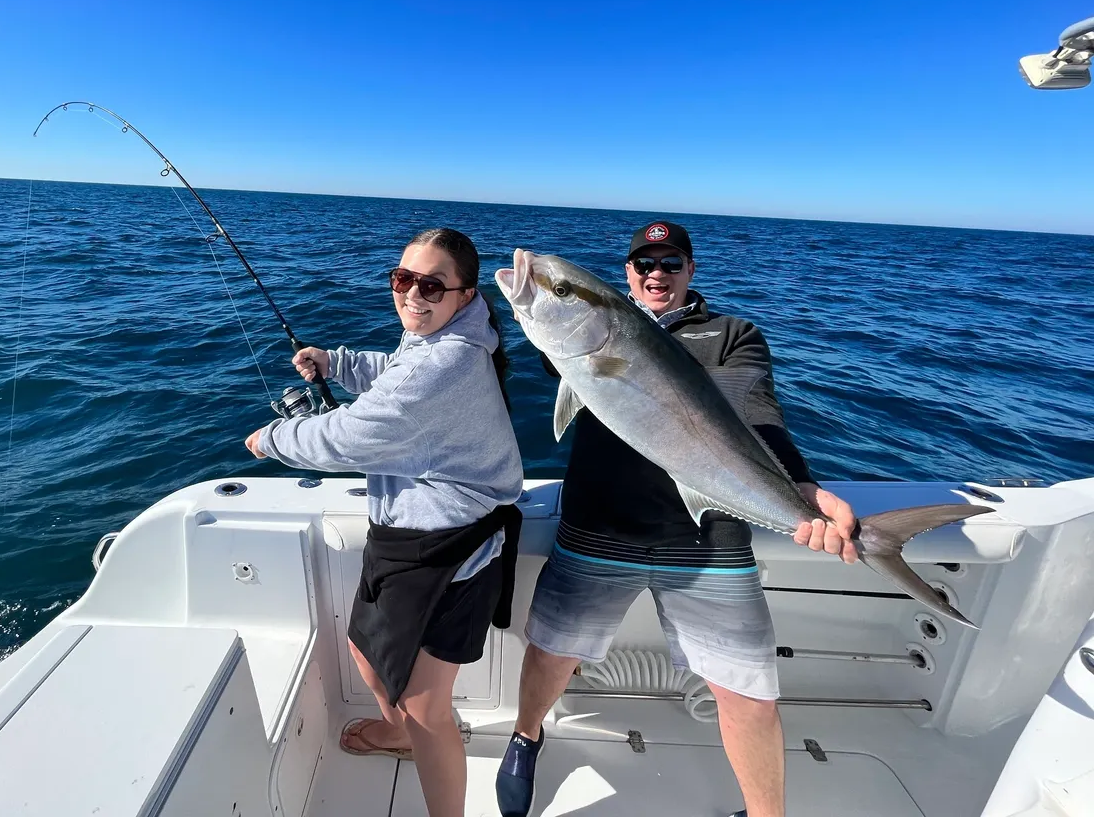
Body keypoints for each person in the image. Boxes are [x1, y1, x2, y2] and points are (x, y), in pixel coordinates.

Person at [495, 220, 858, 817]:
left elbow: (757, 413)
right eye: (643, 264)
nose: (656, 274)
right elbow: (563, 361)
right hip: (599, 527)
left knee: (746, 693)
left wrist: (802, 488)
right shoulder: (600, 327)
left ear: (690, 270)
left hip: (708, 540)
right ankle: (526, 735)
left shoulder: (732, 334)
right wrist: (539, 307)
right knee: (550, 650)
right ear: (628, 273)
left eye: (670, 263)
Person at [245, 227, 524, 817]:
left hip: (454, 549)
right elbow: (395, 370)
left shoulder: (447, 361)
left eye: (431, 285)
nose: (412, 295)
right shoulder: (435, 342)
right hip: (400, 535)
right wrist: (336, 362)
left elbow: (351, 437)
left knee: (428, 706)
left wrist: (272, 439)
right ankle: (395, 731)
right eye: (403, 279)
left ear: (466, 295)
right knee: (364, 649)